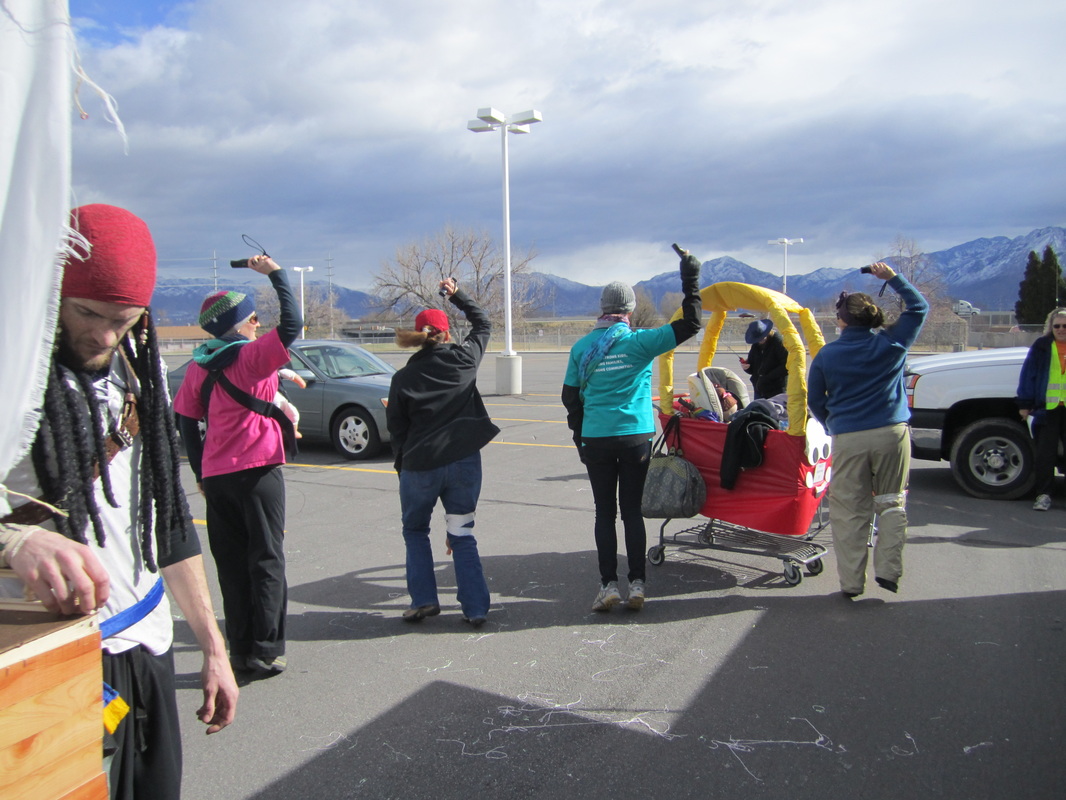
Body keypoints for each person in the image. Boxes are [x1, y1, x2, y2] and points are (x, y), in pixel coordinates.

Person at [0, 203, 238, 799]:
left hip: (148, 646)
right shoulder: (11, 378)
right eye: (87, 313)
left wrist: (213, 646)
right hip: (51, 658)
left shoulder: (137, 369)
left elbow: (168, 519)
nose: (105, 336)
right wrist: (14, 538)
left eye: (124, 320)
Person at [173, 257, 300, 675]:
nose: (258, 324)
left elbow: (186, 421)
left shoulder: (200, 365)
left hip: (216, 476)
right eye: (253, 318)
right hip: (258, 471)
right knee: (266, 559)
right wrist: (277, 275)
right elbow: (293, 325)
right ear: (242, 323)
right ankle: (267, 648)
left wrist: (199, 473)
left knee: (230, 564)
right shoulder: (250, 356)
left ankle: (241, 649)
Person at [562, 251, 702, 611]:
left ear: (602, 308)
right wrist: (690, 278)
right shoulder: (641, 343)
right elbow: (691, 324)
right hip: (635, 438)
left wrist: (580, 438)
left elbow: (570, 398)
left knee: (604, 513)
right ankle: (637, 584)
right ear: (629, 309)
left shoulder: (581, 348)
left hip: (597, 436)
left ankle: (608, 585)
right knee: (632, 512)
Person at [807, 262, 929, 599]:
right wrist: (892, 278)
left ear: (841, 320)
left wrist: (834, 424)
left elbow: (815, 399)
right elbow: (919, 307)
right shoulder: (891, 344)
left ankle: (851, 583)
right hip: (892, 433)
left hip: (849, 437)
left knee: (849, 511)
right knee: (891, 503)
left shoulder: (828, 355)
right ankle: (888, 570)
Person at [386, 279, 499, 627]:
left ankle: (423, 600)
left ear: (419, 337)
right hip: (464, 463)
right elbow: (483, 323)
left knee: (415, 531)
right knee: (462, 533)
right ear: (447, 334)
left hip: (420, 466)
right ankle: (475, 608)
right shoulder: (464, 360)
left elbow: (397, 431)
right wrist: (456, 295)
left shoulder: (403, 378)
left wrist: (403, 468)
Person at [1016, 307, 1066, 511]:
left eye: (1065, 326)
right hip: (1047, 410)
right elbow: (1029, 374)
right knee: (1045, 455)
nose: (1061, 329)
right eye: (1057, 326)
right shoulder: (1042, 346)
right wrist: (1024, 404)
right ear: (1051, 327)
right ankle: (1044, 495)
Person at [739, 318, 788, 399]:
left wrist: (767, 377)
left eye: (762, 337)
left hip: (776, 389)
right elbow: (752, 367)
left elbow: (786, 366)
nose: (759, 341)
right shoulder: (755, 345)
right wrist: (747, 367)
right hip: (759, 389)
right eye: (757, 339)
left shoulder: (778, 342)